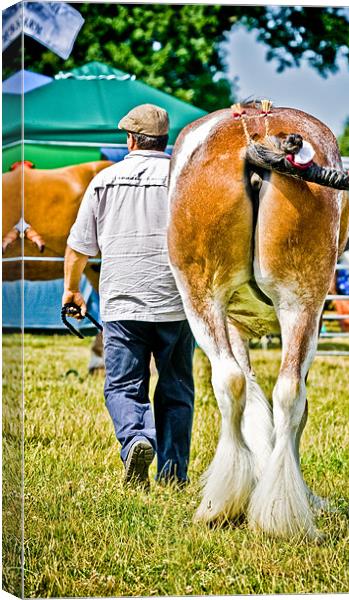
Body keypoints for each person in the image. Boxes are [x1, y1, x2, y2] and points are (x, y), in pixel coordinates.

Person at [62, 104, 195, 486]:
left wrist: (72, 290)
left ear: (131, 139)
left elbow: (79, 247)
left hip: (122, 302)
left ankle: (137, 437)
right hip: (175, 303)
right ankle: (173, 474)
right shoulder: (183, 178)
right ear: (165, 139)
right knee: (176, 389)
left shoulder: (105, 180)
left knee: (122, 385)